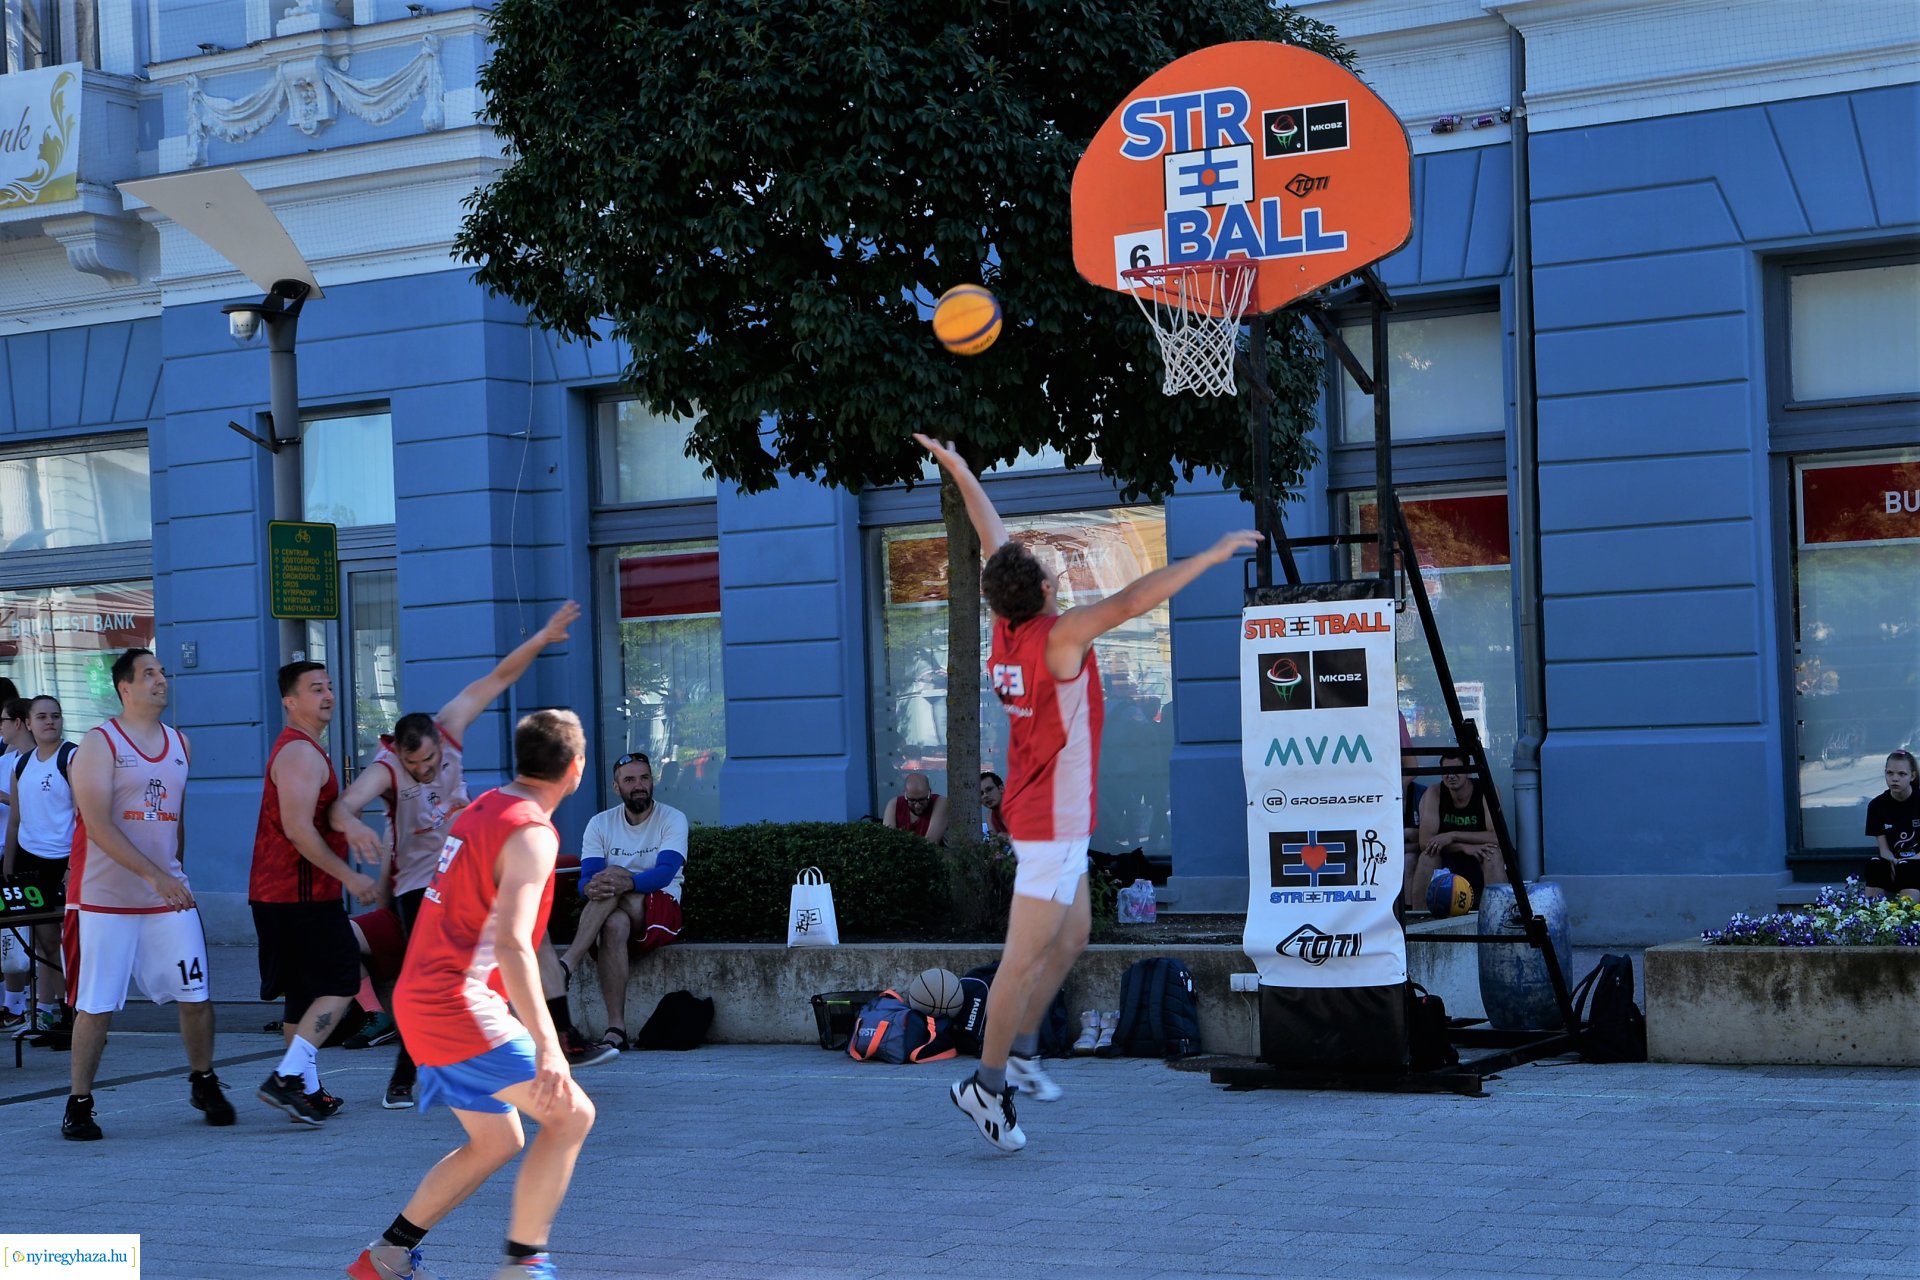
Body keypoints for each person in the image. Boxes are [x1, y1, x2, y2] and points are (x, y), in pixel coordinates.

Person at [918, 433, 1259, 1152]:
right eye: (1046, 571)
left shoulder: (1008, 629)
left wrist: (958, 467)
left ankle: (1019, 1051)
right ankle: (985, 1083)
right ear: (1042, 591)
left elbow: (990, 534)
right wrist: (1210, 554)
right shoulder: (1059, 635)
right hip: (1047, 824)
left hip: (1052, 819)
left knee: (1073, 937)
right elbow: (1136, 597)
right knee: (1020, 960)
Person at [347, 710, 595, 1280]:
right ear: (576, 768)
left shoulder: (482, 807)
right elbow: (512, 944)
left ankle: (385, 1256)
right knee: (572, 1116)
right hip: (452, 1002)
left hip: (423, 997)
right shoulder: (531, 833)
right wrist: (548, 1043)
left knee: (497, 1138)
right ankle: (523, 1267)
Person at [331, 601, 582, 1109]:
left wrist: (542, 636)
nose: (426, 771)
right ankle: (407, 1075)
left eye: (432, 761)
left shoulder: (450, 724)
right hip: (415, 883)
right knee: (428, 973)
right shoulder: (386, 769)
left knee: (498, 957)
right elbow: (341, 807)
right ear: (399, 754)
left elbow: (498, 678)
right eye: (416, 764)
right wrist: (353, 824)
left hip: (464, 868)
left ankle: (537, 1048)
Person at [60, 649, 236, 1140]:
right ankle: (78, 1102)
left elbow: (175, 821)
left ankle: (203, 1080)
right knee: (96, 1005)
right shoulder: (99, 744)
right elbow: (97, 825)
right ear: (126, 688)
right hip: (107, 900)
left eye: (162, 672)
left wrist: (172, 875)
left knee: (195, 993)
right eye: (150, 674)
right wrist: (156, 875)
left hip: (166, 901)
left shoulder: (181, 743)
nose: (162, 680)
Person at [250, 661, 377, 1126]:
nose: (327, 695)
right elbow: (299, 831)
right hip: (299, 895)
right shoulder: (301, 754)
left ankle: (307, 1090)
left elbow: (322, 817)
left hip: (283, 895)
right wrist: (351, 876)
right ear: (290, 701)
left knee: (302, 996)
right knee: (342, 982)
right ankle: (286, 1079)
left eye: (329, 686)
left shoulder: (304, 750)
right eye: (315, 689)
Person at [556, 751, 686, 1054]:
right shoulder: (600, 824)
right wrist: (594, 886)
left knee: (612, 875)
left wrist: (622, 880)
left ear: (652, 781)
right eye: (630, 780)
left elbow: (665, 874)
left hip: (661, 908)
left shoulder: (672, 818)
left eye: (644, 778)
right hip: (617, 912)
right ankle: (616, 1029)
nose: (638, 785)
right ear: (617, 788)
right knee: (613, 924)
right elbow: (586, 880)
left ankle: (567, 964)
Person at [3, 694, 78, 1041]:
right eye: (43, 716)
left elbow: (84, 816)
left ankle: (74, 1013)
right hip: (31, 862)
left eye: (56, 716)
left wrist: (74, 865)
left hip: (64, 860)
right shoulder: (23, 764)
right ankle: (54, 1012)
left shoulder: (72, 757)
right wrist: (8, 869)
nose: (50, 721)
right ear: (28, 723)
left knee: (69, 941)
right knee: (45, 941)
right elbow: (16, 821)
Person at [1410, 751, 1508, 911]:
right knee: (1426, 856)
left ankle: (1498, 916)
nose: (1451, 775)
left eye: (1457, 770)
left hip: (1479, 855)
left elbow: (1497, 837)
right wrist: (1463, 846)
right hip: (1449, 856)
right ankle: (1421, 921)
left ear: (1468, 771)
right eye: (1446, 771)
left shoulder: (1486, 789)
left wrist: (1453, 835)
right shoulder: (1434, 793)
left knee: (1493, 854)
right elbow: (1425, 842)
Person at [0, 691, 35, 1029]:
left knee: (27, 933)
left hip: (30, 855)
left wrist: (5, 798)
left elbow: (30, 811)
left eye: (3, 721)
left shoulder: (39, 759)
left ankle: (26, 1007)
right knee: (7, 932)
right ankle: (11, 1006)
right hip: (5, 854)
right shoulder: (5, 759)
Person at [1863, 748, 1920, 901]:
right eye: (1890, 773)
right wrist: (1894, 862)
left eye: (1902, 774)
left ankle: (1907, 919)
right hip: (1894, 864)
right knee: (1875, 864)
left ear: (1912, 776)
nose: (1895, 779)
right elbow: (1884, 850)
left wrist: (1905, 863)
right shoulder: (1877, 805)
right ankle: (1873, 916)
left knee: (1907, 868)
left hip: (1916, 863)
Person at [881, 773, 948, 844]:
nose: (917, 806)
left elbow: (930, 843)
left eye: (922, 800)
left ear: (929, 793)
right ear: (905, 795)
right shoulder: (894, 804)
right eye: (912, 800)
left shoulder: (940, 802)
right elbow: (888, 841)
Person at [980, 771, 1010, 840]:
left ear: (1001, 788)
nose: (985, 796)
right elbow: (994, 843)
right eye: (981, 793)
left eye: (989, 789)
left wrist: (1007, 837)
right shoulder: (991, 817)